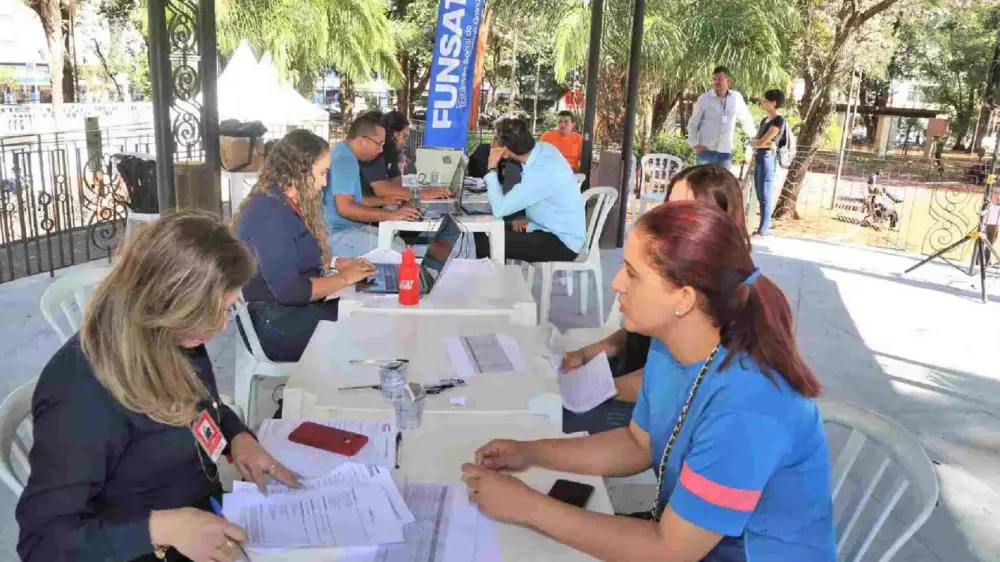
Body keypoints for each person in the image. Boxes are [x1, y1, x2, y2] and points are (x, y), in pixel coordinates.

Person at [462, 201, 835, 561]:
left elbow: (666, 551)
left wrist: (529, 507)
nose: (617, 283)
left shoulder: (749, 409)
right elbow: (637, 444)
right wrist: (531, 452)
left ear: (684, 299)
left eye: (633, 273)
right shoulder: (669, 347)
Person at [17, 211, 300, 562]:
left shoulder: (174, 336)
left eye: (228, 309)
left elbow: (200, 407)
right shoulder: (83, 392)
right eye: (220, 311)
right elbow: (41, 542)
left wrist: (238, 437)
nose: (223, 325)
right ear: (171, 303)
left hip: (207, 517)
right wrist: (164, 528)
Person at [560, 165, 750, 435]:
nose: (671, 218)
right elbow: (631, 333)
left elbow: (670, 382)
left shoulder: (719, 292)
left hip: (652, 406)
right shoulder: (668, 262)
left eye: (687, 209)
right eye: (670, 206)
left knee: (547, 416)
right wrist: (583, 355)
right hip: (628, 380)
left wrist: (593, 389)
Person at [234, 130, 377, 362]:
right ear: (298, 171)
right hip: (274, 323)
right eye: (322, 173)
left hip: (287, 311)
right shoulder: (269, 213)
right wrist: (343, 278)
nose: (324, 182)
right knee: (364, 335)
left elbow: (295, 255)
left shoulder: (285, 202)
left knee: (369, 314)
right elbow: (291, 291)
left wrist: (335, 263)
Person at [474, 118, 586, 263]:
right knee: (486, 229)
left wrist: (492, 168)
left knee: (488, 240)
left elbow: (499, 209)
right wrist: (532, 223)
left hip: (562, 243)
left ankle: (496, 283)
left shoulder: (539, 174)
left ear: (505, 151)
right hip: (552, 228)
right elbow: (546, 199)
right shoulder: (545, 148)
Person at [323, 112, 421, 257]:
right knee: (402, 255)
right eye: (379, 143)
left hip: (348, 229)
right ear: (362, 141)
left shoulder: (343, 152)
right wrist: (392, 215)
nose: (381, 149)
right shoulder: (345, 160)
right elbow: (345, 208)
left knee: (399, 242)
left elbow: (353, 199)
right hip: (337, 235)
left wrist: (384, 201)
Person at [360, 110, 450, 201]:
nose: (405, 142)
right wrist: (423, 193)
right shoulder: (375, 152)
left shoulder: (391, 153)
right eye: (404, 137)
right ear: (394, 134)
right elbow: (381, 190)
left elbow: (396, 182)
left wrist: (426, 189)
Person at [688, 66, 757, 169]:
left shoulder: (736, 98)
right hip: (706, 151)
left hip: (725, 152)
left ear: (728, 81)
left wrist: (755, 137)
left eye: (720, 79)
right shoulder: (704, 99)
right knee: (704, 184)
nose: (716, 82)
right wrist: (694, 144)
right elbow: (693, 123)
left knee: (723, 185)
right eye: (714, 79)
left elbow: (745, 119)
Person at [750, 89, 786, 237]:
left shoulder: (778, 120)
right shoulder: (764, 120)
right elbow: (757, 141)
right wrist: (758, 143)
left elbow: (764, 141)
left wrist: (758, 143)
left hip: (767, 157)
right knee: (759, 191)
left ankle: (763, 229)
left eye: (765, 100)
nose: (763, 103)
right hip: (759, 155)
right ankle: (762, 227)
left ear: (773, 103)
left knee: (765, 193)